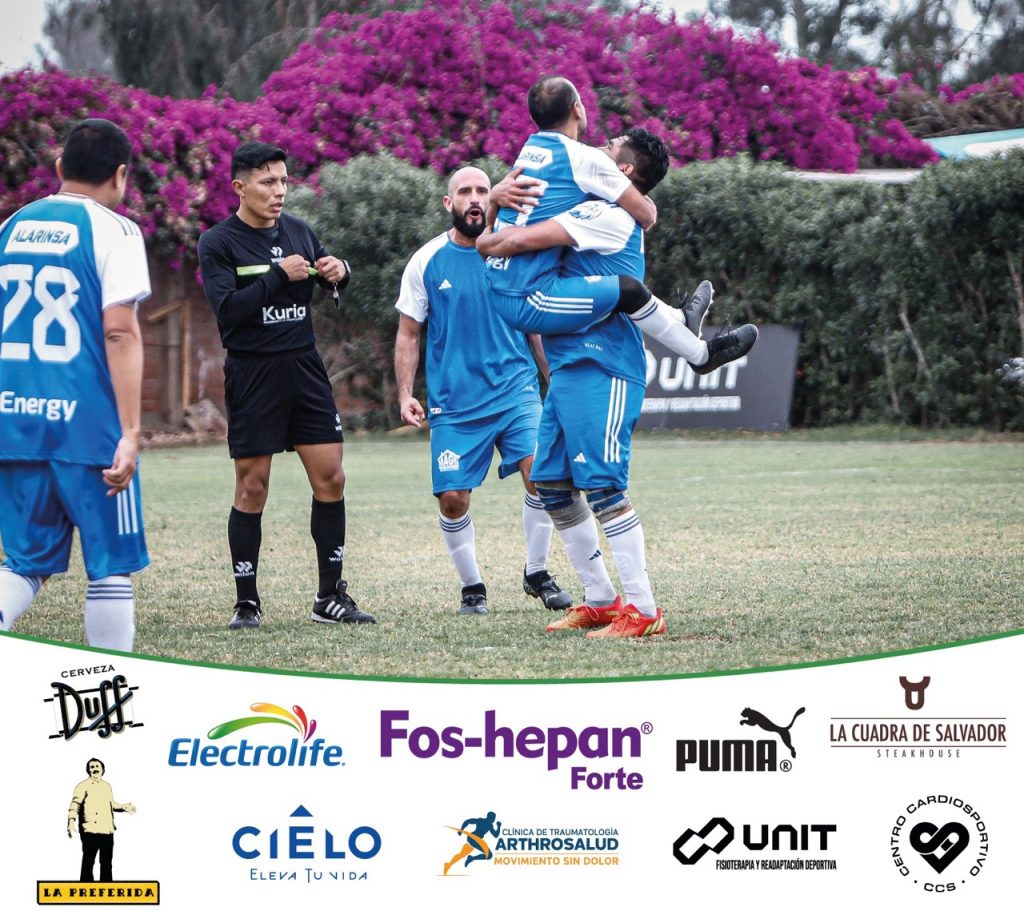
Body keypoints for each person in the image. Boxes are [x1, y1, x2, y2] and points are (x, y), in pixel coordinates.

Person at [479, 128, 706, 638]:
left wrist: (486, 232)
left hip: (604, 364)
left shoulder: (608, 214)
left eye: (612, 147)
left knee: (603, 486)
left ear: (623, 171)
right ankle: (601, 599)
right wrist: (497, 197)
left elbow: (517, 241)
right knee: (553, 485)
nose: (601, 148)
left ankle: (643, 610)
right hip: (570, 364)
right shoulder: (593, 203)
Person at [198, 142, 375, 629]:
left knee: (332, 478)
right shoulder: (218, 242)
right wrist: (277, 275)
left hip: (304, 368)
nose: (279, 191)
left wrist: (339, 272)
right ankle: (246, 602)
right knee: (252, 486)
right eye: (268, 182)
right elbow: (228, 312)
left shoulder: (299, 231)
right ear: (240, 187)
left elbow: (325, 277)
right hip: (253, 372)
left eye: (283, 181)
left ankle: (328, 598)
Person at [481, 74, 756, 373]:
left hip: (504, 282)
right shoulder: (585, 159)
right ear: (577, 109)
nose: (603, 147)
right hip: (527, 297)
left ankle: (681, 320)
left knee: (627, 291)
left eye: (610, 145)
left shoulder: (530, 150)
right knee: (628, 291)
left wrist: (491, 208)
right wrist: (484, 243)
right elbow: (646, 215)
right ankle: (701, 355)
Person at [0, 118, 150, 651]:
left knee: (25, 563)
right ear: (121, 175)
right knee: (109, 567)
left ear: (60, 167)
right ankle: (113, 689)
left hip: (16, 422)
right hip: (89, 429)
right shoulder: (116, 231)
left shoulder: (11, 227)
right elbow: (119, 331)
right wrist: (129, 432)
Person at [395, 166, 572, 615]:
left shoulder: (512, 251)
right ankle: (472, 587)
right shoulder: (426, 261)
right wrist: (404, 393)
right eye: (464, 192)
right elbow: (409, 333)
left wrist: (555, 379)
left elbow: (534, 324)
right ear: (449, 203)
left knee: (543, 475)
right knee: (453, 500)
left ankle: (537, 573)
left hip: (516, 391)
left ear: (492, 198)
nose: (474, 198)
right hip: (455, 403)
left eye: (481, 190)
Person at [67, 758, 136, 882]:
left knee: (106, 863)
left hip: (107, 830)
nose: (95, 769)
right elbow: (75, 804)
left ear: (103, 769)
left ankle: (107, 889)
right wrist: (71, 821)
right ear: (88, 770)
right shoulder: (82, 786)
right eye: (92, 767)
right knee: (88, 862)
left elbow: (112, 804)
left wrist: (123, 807)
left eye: (97, 766)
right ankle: (85, 889)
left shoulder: (106, 786)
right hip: (90, 830)